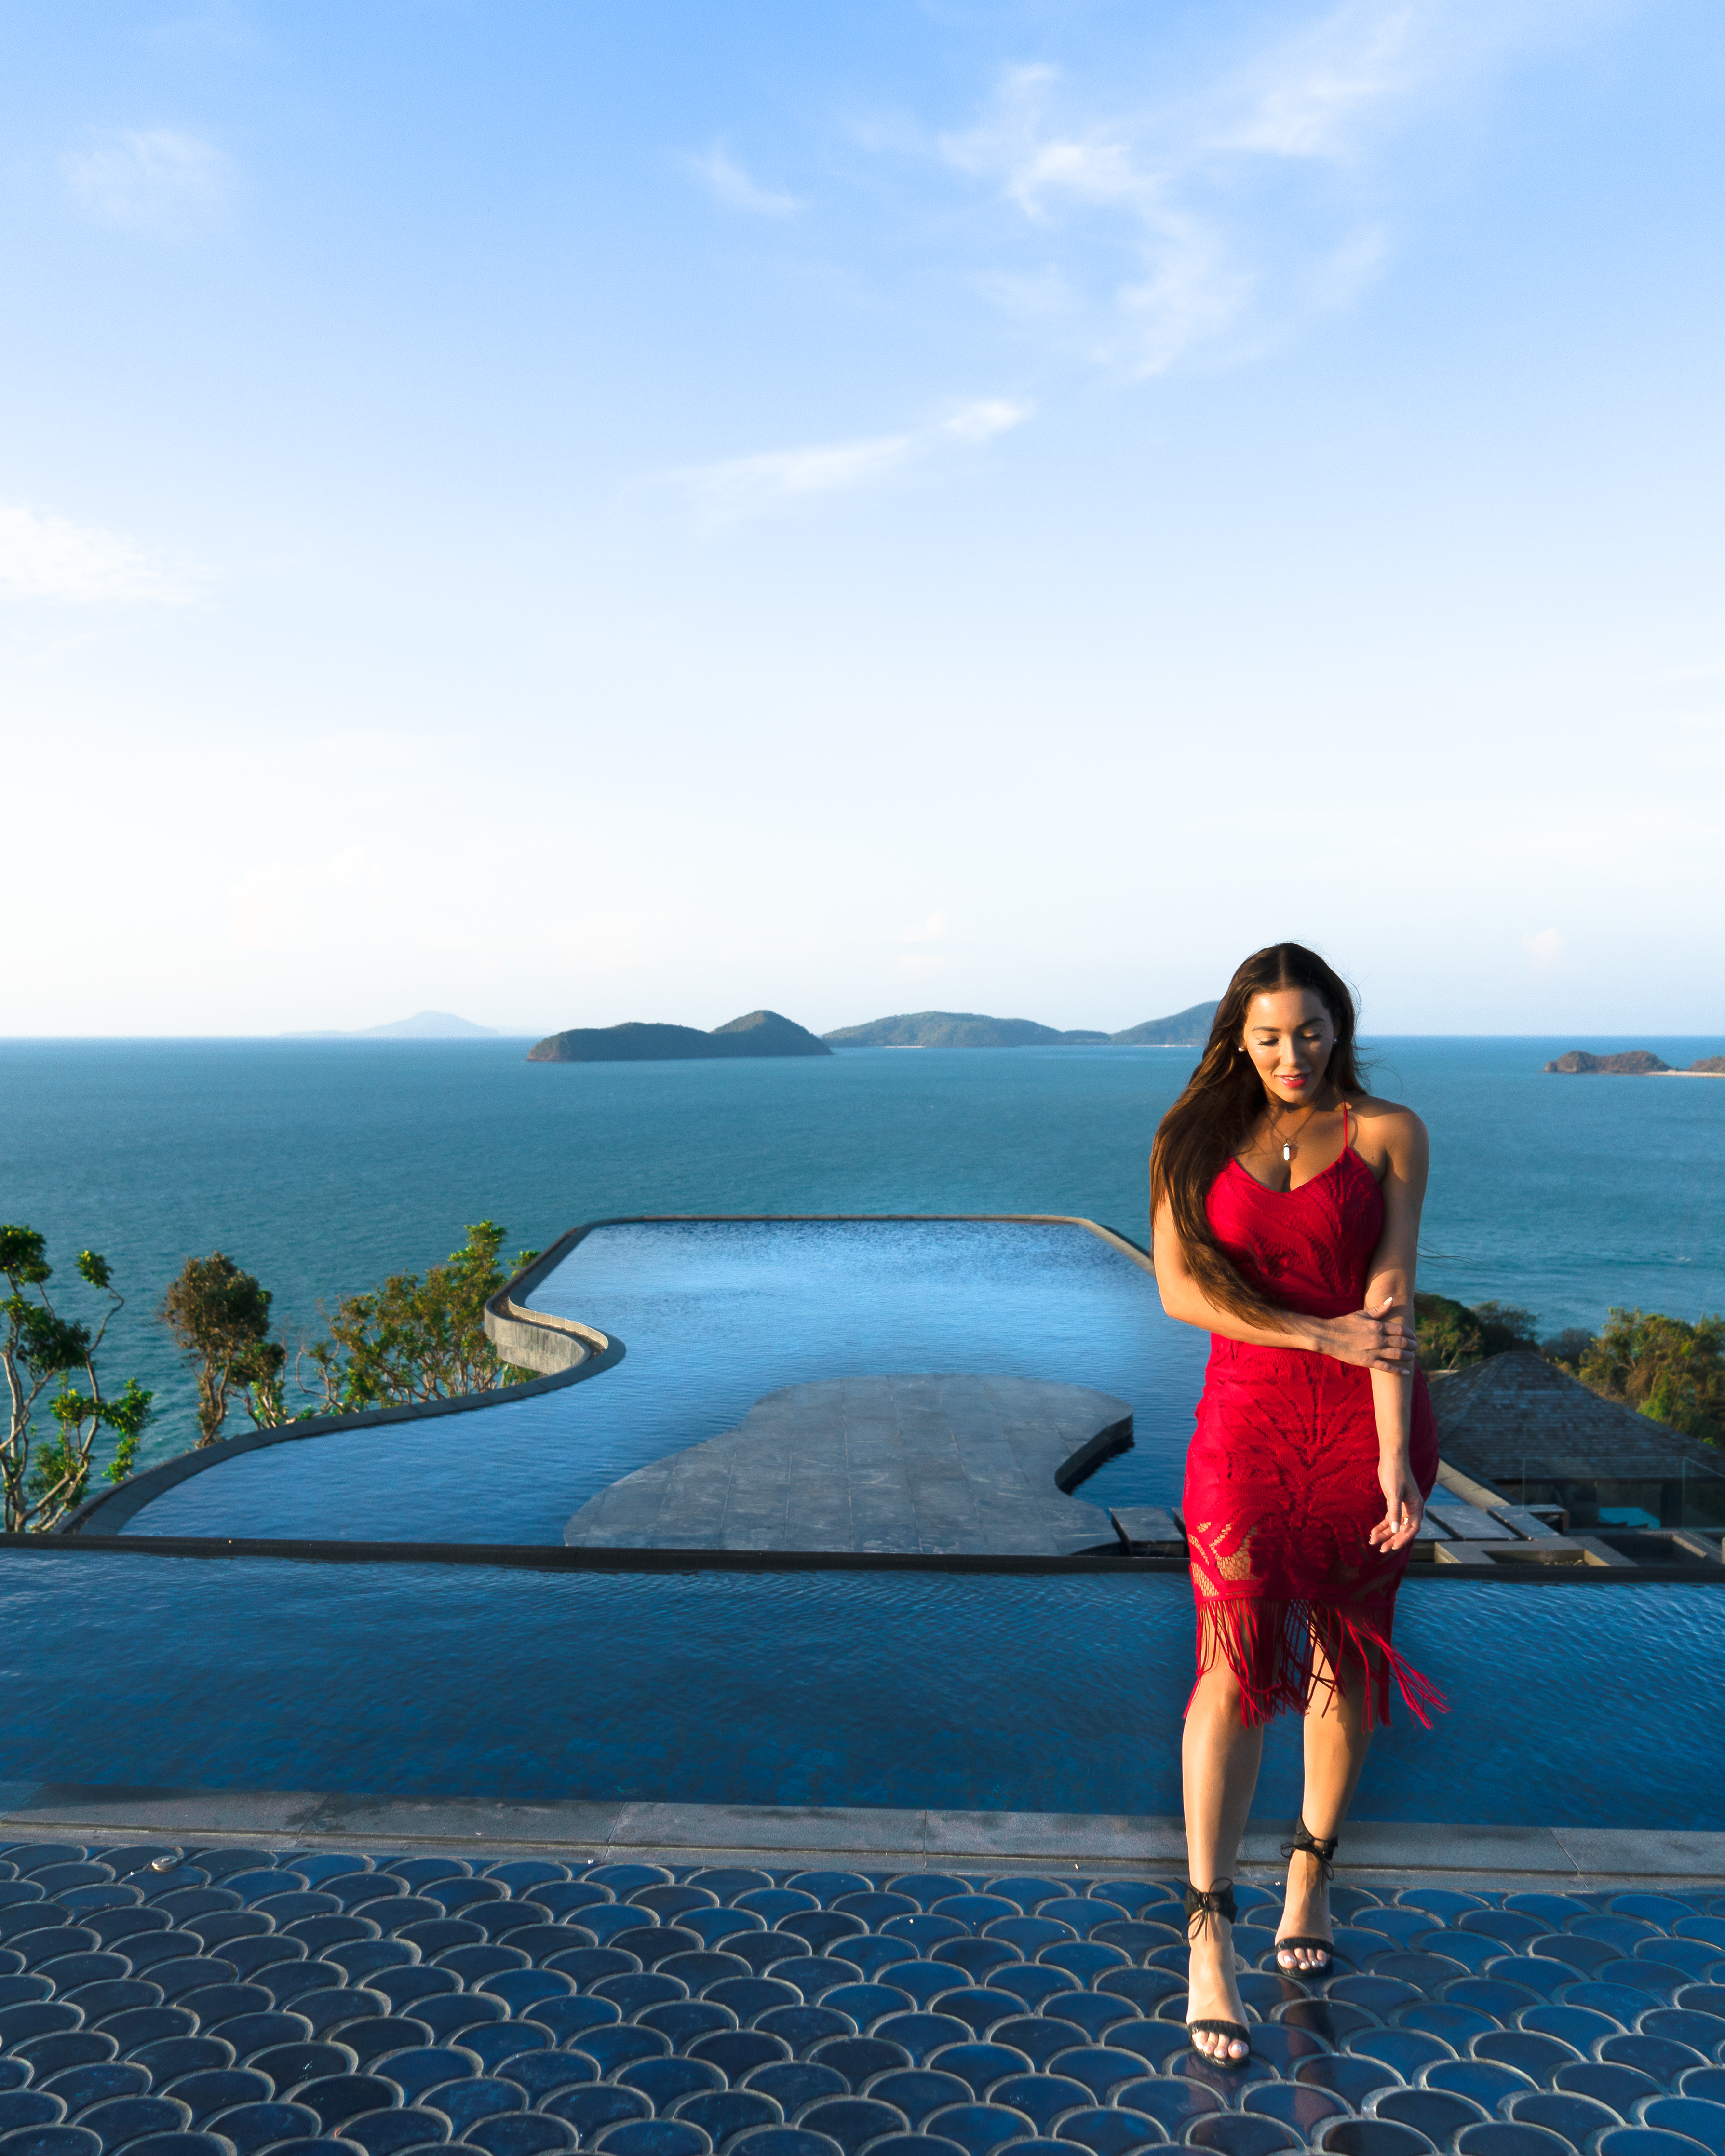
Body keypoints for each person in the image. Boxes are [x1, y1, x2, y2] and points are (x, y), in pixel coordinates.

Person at [1149, 942, 1443, 2066]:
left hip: (1364, 1426)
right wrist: (1314, 1331)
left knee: (1346, 1653)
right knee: (1228, 1664)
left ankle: (1310, 1870)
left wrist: (1391, 1460)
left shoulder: (1388, 1132)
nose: (1290, 1053)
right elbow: (1182, 1289)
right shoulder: (1189, 1137)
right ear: (1237, 1034)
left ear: (1339, 1027)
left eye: (1308, 1031)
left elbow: (1390, 1294)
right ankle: (1207, 1932)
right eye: (1268, 1034)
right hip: (1245, 1427)